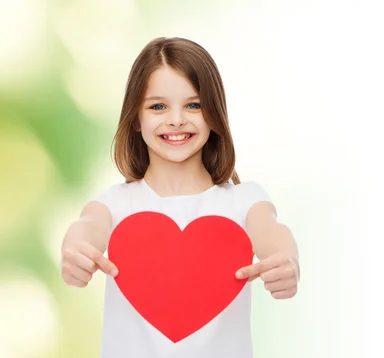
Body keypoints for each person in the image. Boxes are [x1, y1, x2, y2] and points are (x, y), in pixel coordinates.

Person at [60, 37, 300, 358]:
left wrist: (287, 261)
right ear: (135, 118)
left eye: (194, 105)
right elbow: (87, 226)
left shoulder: (243, 201)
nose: (176, 119)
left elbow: (273, 232)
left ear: (214, 114)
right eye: (158, 106)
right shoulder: (115, 205)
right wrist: (74, 251)